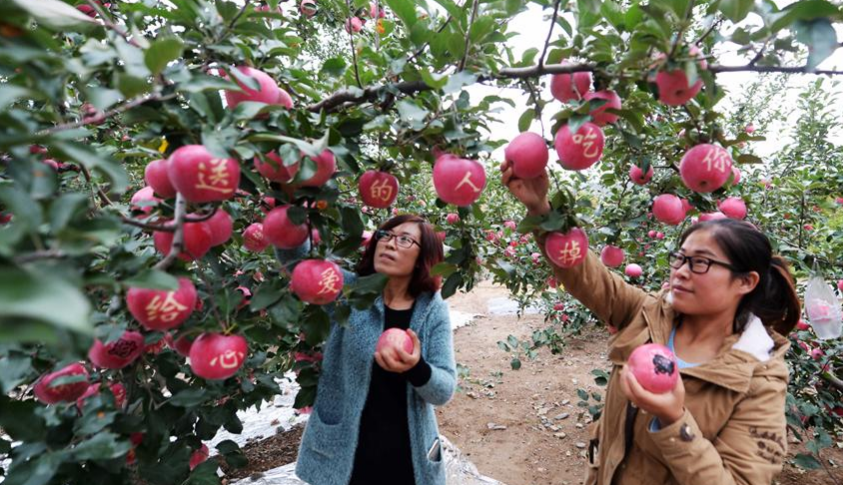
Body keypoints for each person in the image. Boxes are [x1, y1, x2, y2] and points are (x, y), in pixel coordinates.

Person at [501, 161, 801, 485]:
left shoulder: (760, 377)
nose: (681, 271)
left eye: (701, 262)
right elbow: (586, 276)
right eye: (681, 258)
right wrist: (541, 209)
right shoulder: (647, 315)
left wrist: (673, 420)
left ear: (745, 282)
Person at [283, 214, 456, 485]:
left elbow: (444, 389)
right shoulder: (348, 292)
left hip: (406, 457)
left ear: (424, 257)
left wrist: (416, 367)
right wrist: (289, 204)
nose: (388, 243)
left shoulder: (432, 309)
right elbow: (297, 261)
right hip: (346, 453)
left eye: (404, 239)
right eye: (384, 235)